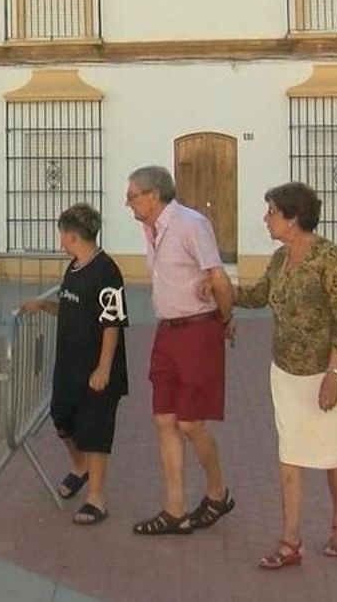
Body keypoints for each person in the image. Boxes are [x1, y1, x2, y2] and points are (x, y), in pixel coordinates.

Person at [235, 182, 337, 569]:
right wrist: (221, 290)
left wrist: (334, 373)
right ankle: (291, 541)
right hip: (286, 371)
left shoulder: (329, 258)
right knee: (291, 451)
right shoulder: (278, 259)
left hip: (328, 369)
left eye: (271, 212)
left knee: (333, 451)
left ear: (293, 217)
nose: (266, 219)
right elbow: (257, 297)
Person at [125, 165, 236, 536]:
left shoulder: (191, 224)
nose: (128, 204)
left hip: (196, 329)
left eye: (132, 196)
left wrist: (226, 317)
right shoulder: (150, 228)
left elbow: (217, 276)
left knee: (190, 422)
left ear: (153, 195)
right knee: (164, 419)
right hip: (167, 330)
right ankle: (175, 509)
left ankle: (218, 492)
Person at [18, 204, 129, 526]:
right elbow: (71, 307)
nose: (61, 240)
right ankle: (78, 466)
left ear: (70, 235)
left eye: (61, 234)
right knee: (62, 417)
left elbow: (112, 323)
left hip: (96, 368)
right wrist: (43, 305)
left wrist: (103, 368)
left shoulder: (107, 271)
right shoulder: (74, 267)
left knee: (95, 430)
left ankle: (96, 498)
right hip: (69, 365)